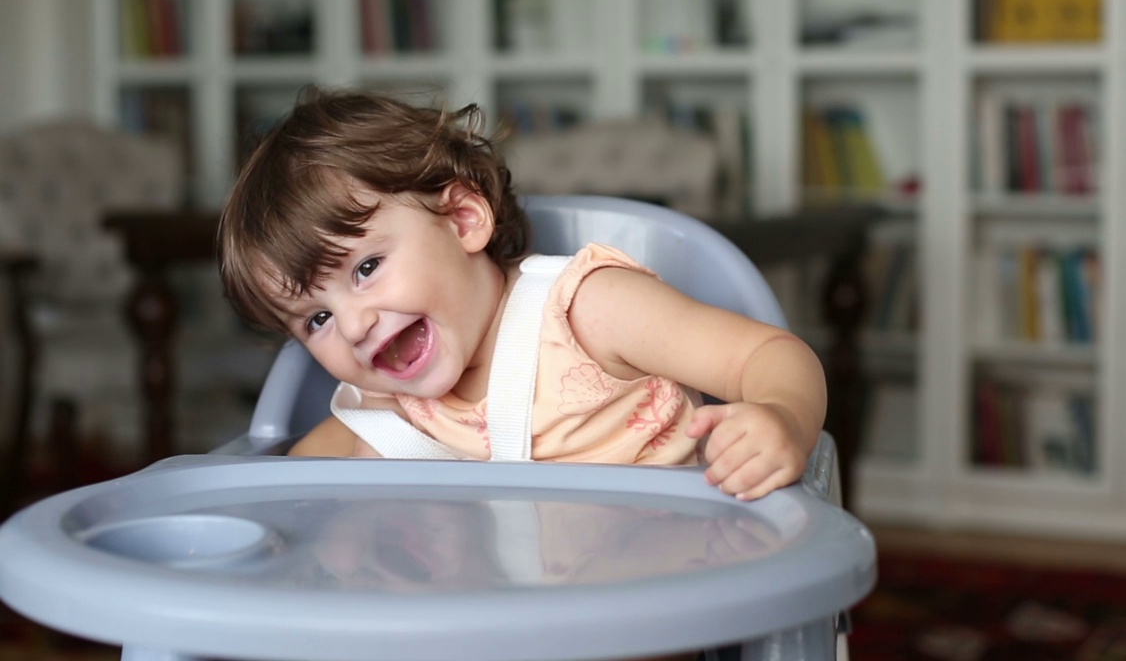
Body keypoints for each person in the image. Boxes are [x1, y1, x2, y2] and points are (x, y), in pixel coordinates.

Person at [218, 86, 827, 502]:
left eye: (367, 267)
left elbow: (766, 356)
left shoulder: (589, 310)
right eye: (316, 317)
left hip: (656, 600)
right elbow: (281, 497)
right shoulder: (383, 403)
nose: (353, 326)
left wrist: (784, 420)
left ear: (461, 221)